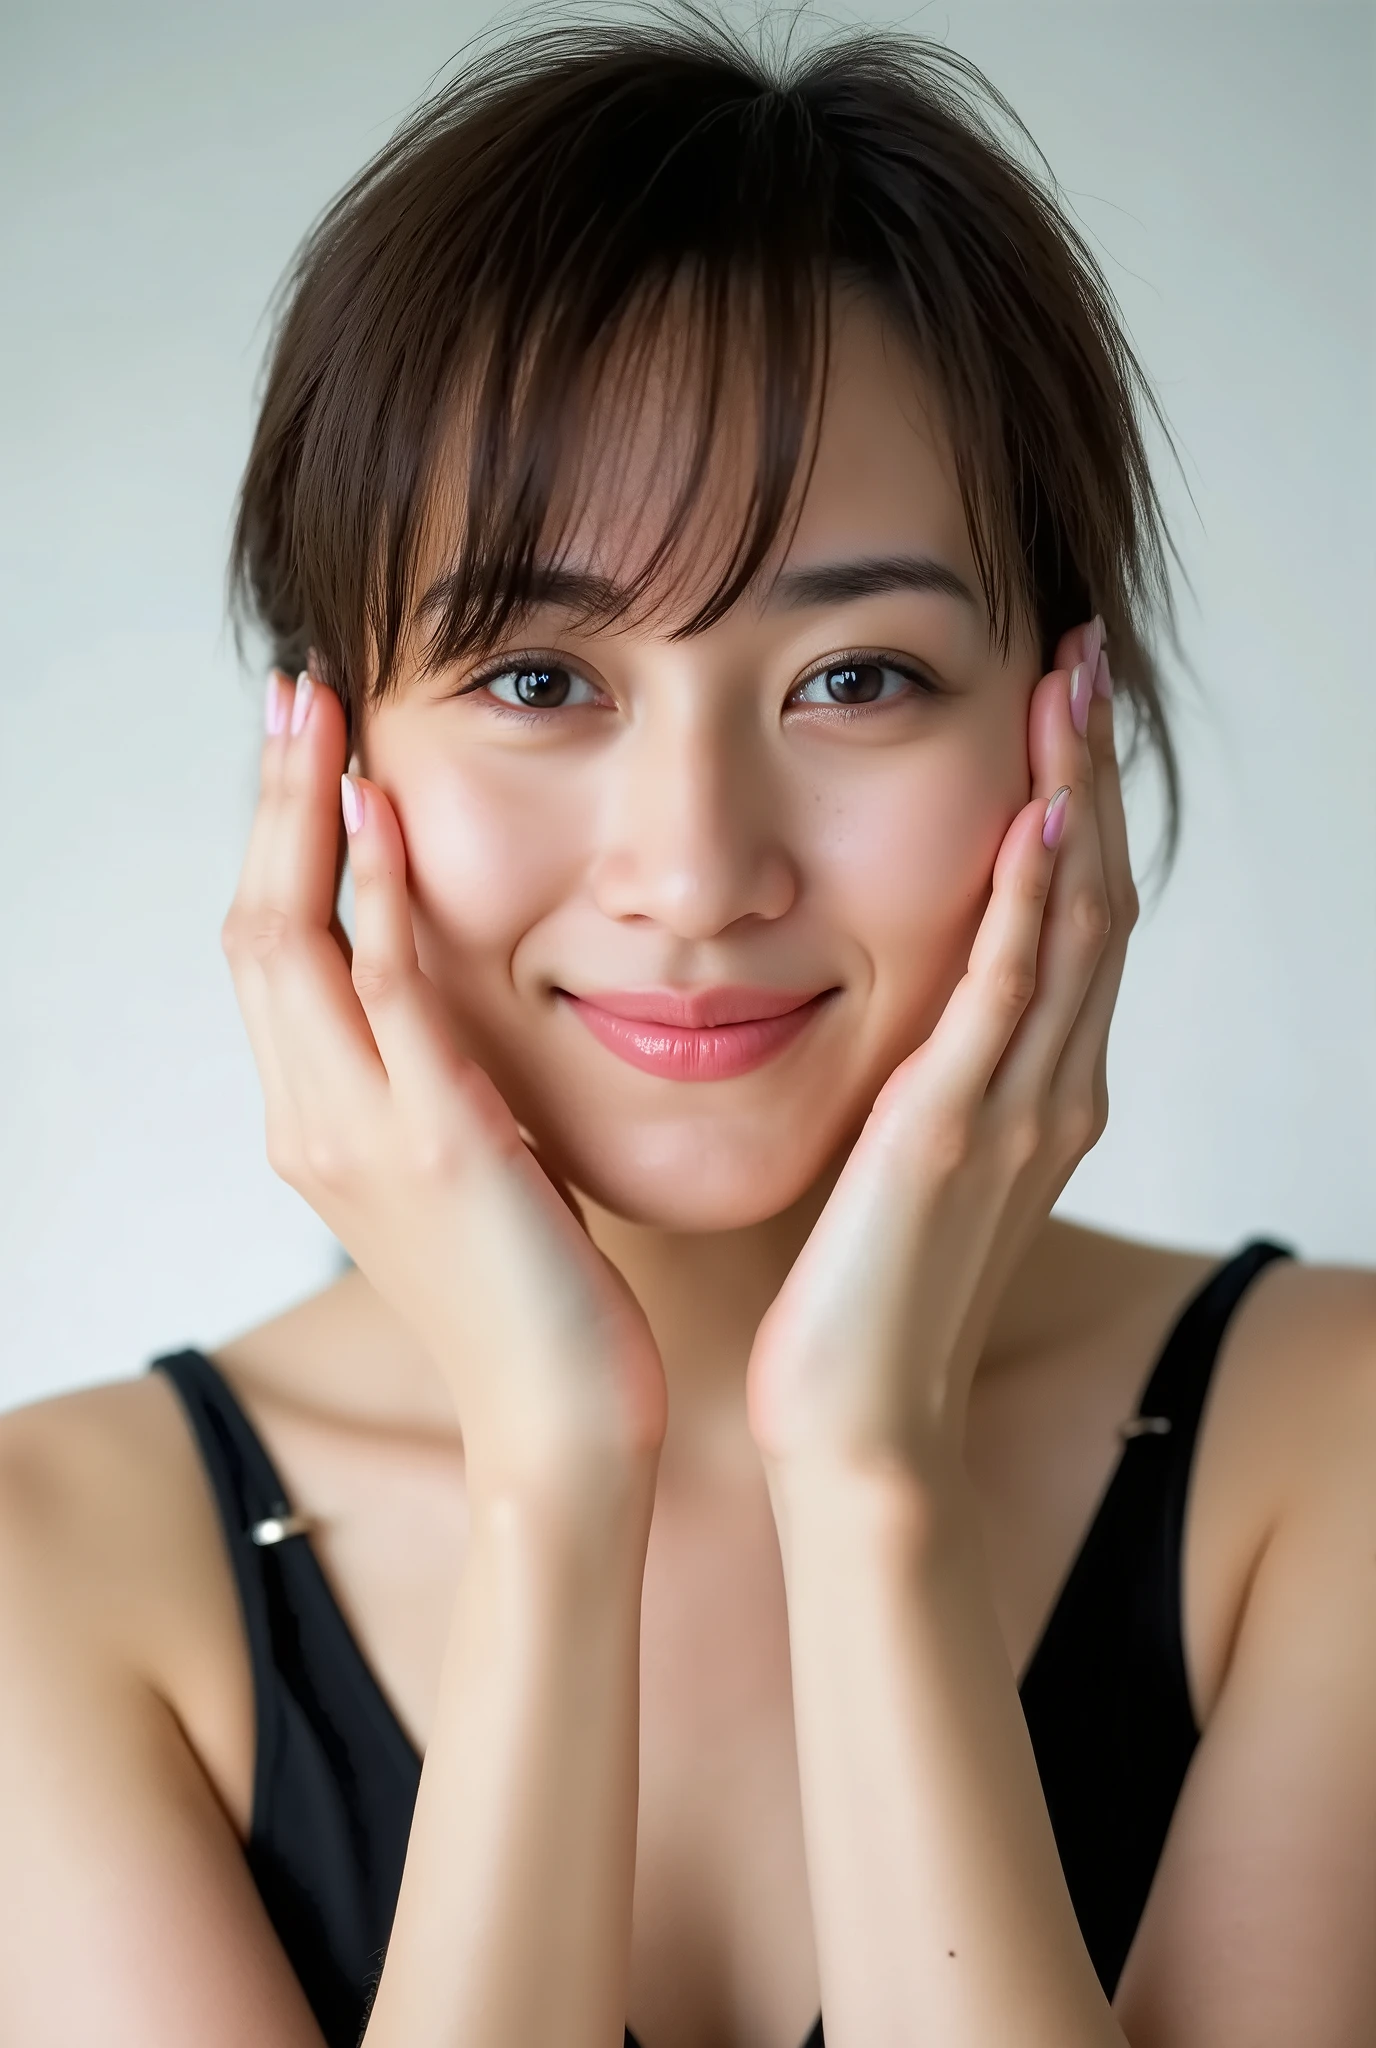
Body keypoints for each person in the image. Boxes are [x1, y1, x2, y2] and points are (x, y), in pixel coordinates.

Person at [1, 13, 1372, 2047]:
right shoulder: (59, 1569)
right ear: (323, 750)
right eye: (541, 680)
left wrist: (867, 1481)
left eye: (856, 677)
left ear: (1057, 729)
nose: (697, 866)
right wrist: (556, 1487)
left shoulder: (1324, 1449)